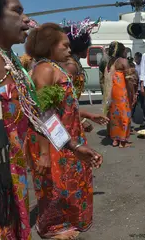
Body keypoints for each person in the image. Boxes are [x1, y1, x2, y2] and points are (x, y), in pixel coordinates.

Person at [25, 23, 103, 239]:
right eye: (65, 46)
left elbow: (63, 106)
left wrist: (85, 117)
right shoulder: (45, 70)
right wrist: (43, 153)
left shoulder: (54, 67)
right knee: (52, 185)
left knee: (67, 181)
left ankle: (64, 221)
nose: (69, 50)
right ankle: (51, 228)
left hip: (64, 138)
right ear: (50, 46)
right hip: (50, 140)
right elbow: (43, 113)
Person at [0, 0, 34, 240]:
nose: (27, 19)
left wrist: (72, 146)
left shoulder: (11, 60)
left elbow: (35, 113)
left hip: (14, 176)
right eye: (17, 11)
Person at [61, 22, 109, 132]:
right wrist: (82, 119)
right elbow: (66, 99)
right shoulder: (71, 66)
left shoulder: (74, 63)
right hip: (68, 118)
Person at [103, 41, 135, 147]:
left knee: (114, 115)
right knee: (125, 114)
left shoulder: (110, 62)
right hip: (122, 91)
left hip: (113, 92)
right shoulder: (123, 61)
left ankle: (115, 139)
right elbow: (129, 80)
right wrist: (133, 93)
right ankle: (123, 141)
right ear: (121, 51)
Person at [133, 52, 145, 126]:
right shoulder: (136, 66)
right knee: (140, 105)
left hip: (142, 88)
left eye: (136, 58)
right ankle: (141, 119)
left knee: (144, 105)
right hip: (137, 88)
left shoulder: (142, 66)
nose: (135, 60)